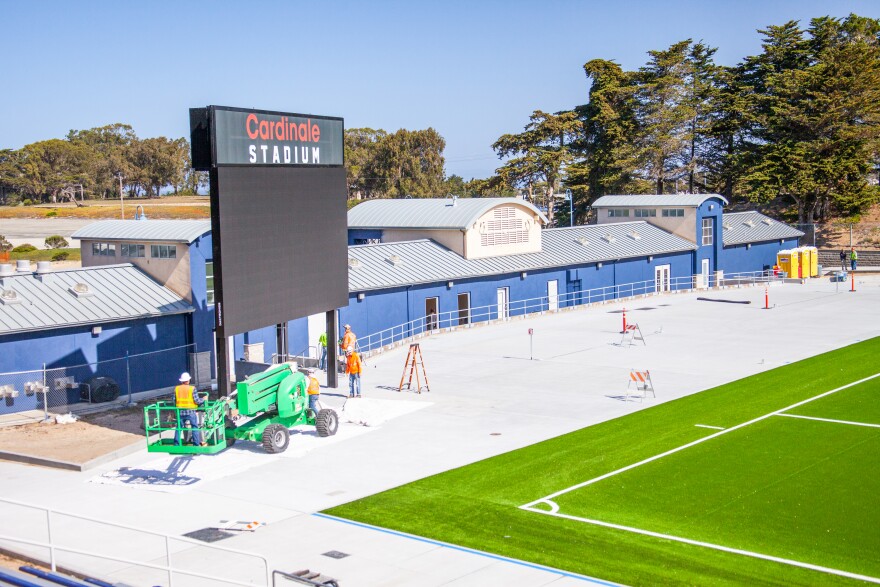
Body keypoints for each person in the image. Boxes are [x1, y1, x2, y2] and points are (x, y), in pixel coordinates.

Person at [173, 372, 205, 446]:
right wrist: (203, 399)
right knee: (194, 427)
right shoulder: (192, 389)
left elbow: (174, 400)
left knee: (179, 428)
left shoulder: (177, 389)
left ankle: (176, 444)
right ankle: (196, 444)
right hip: (190, 412)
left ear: (181, 381)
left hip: (180, 412)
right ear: (188, 380)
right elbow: (197, 401)